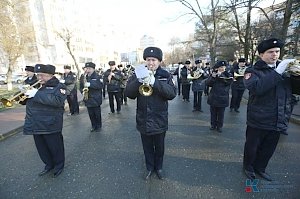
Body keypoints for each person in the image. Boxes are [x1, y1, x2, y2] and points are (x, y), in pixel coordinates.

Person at [243, 38, 296, 181]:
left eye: (277, 51)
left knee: (269, 148)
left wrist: (297, 76)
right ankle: (248, 167)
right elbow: (257, 88)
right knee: (252, 147)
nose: (275, 55)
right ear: (261, 55)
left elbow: (296, 90)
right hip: (258, 118)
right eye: (270, 52)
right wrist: (278, 72)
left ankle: (261, 168)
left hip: (279, 117)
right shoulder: (252, 71)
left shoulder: (285, 70)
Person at [125, 47, 176, 180]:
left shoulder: (165, 75)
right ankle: (149, 168)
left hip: (159, 119)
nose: (151, 63)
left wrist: (155, 82)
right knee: (147, 147)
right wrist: (138, 80)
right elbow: (129, 94)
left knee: (159, 147)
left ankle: (158, 167)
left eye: (154, 60)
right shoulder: (137, 74)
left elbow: (171, 94)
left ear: (159, 61)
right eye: (148, 60)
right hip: (143, 118)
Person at [22, 64, 67, 178]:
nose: (40, 78)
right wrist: (24, 95)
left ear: (51, 75)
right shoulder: (35, 86)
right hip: (35, 122)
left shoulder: (59, 86)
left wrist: (36, 94)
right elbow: (27, 101)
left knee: (55, 147)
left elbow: (57, 101)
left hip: (50, 123)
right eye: (38, 75)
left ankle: (58, 165)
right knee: (42, 148)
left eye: (43, 75)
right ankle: (48, 165)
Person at [206, 61, 233, 133]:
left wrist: (221, 76)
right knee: (213, 113)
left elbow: (229, 82)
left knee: (221, 113)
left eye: (224, 67)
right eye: (221, 67)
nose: (222, 68)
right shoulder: (213, 74)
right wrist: (213, 77)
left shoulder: (228, 74)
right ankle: (213, 125)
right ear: (217, 68)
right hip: (214, 96)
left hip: (223, 96)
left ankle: (220, 126)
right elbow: (208, 83)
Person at [80, 62, 103, 132]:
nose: (88, 70)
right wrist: (83, 91)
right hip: (88, 98)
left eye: (89, 68)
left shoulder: (98, 76)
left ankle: (98, 126)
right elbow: (81, 86)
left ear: (93, 69)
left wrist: (90, 84)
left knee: (97, 113)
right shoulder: (83, 77)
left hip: (96, 98)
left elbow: (100, 86)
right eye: (86, 68)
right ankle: (93, 125)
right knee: (91, 114)